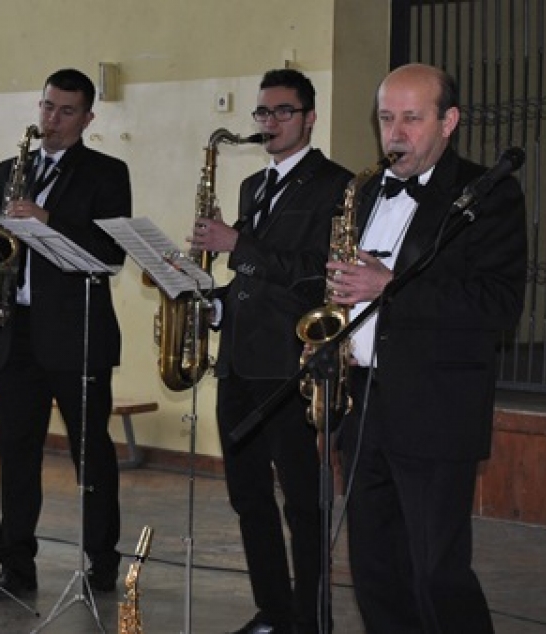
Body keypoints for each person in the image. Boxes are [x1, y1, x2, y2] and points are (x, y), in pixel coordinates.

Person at [327, 63, 526, 633]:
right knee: (374, 569)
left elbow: (498, 303)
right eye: (386, 118)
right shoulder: (365, 191)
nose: (395, 134)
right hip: (364, 402)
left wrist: (389, 288)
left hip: (437, 407)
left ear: (449, 121)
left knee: (436, 572)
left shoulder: (489, 194)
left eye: (412, 119)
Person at [190, 69, 352, 634]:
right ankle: (274, 612)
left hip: (291, 368)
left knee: (303, 505)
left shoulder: (337, 186)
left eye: (284, 111)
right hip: (238, 362)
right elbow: (251, 279)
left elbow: (316, 276)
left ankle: (310, 620)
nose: (270, 122)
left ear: (310, 118)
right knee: (248, 498)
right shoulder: (253, 187)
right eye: (263, 112)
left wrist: (237, 243)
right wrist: (211, 301)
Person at [0, 68, 131, 600]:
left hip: (77, 333)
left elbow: (110, 252)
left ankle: (102, 561)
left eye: (67, 111)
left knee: (91, 455)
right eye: (47, 107)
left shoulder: (107, 173)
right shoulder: (10, 169)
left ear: (88, 118)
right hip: (16, 330)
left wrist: (47, 218)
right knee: (16, 456)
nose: (53, 119)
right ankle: (15, 566)